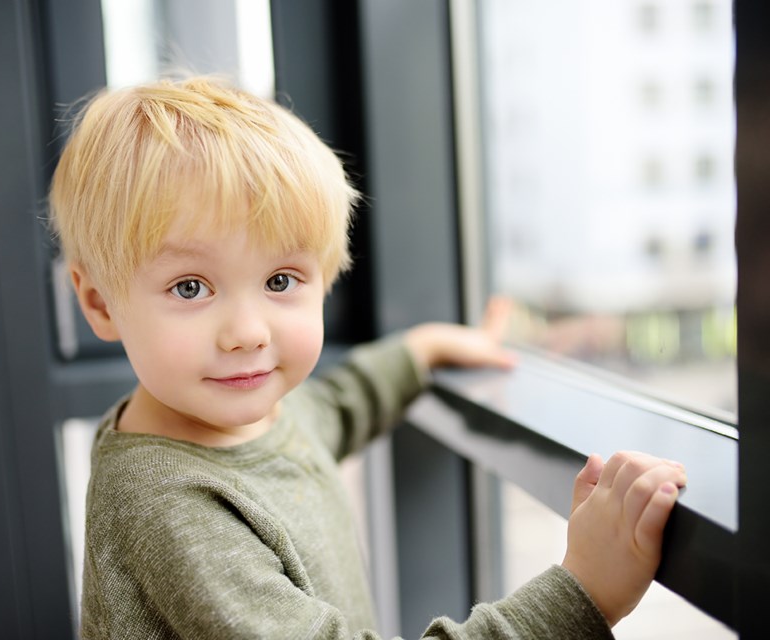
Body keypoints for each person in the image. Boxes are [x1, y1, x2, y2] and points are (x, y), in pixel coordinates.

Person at [49, 76, 687, 639]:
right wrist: (584, 595)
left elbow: (331, 409)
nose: (245, 332)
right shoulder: (170, 510)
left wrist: (421, 350)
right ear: (100, 303)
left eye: (279, 282)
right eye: (190, 287)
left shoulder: (241, 414)